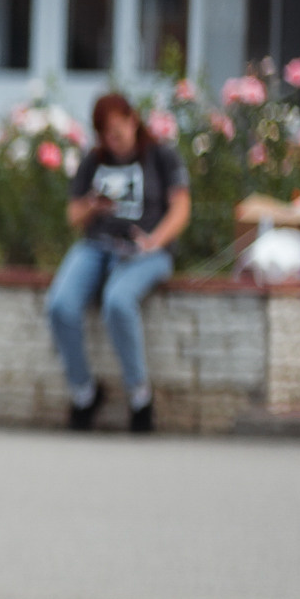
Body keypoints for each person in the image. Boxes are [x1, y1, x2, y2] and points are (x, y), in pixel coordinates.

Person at [45, 93, 190, 433]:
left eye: (116, 130)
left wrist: (155, 240)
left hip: (146, 251)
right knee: (60, 306)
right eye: (104, 134)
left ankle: (140, 398)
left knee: (118, 301)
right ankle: (84, 393)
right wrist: (94, 206)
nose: (112, 139)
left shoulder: (160, 156)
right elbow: (72, 214)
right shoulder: (94, 160)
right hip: (98, 246)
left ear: (132, 120)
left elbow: (181, 209)